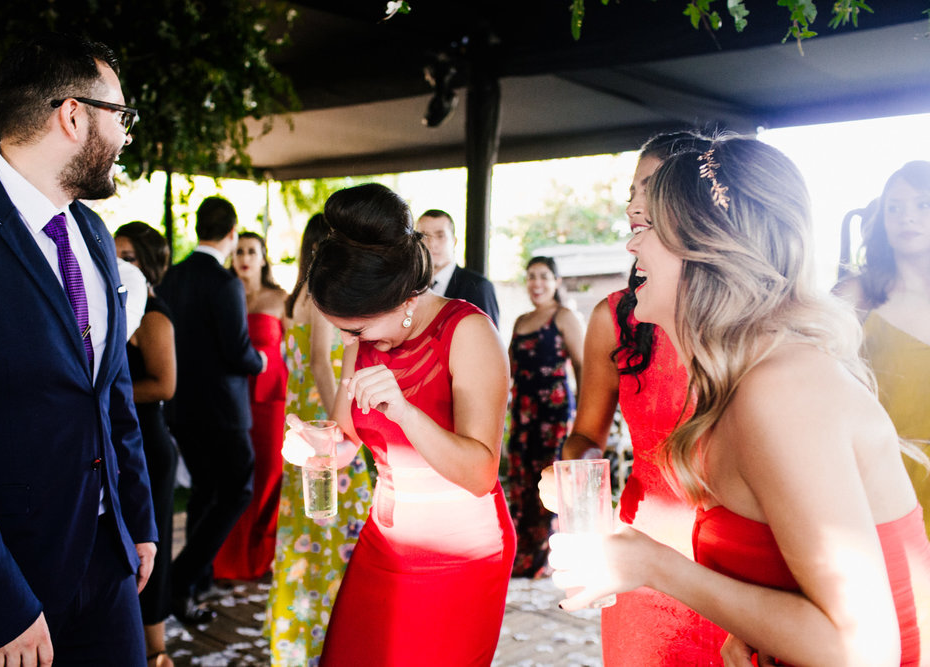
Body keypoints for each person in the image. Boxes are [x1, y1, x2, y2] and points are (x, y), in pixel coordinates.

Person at [545, 137, 930, 665]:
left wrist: (656, 566)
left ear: (706, 249)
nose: (632, 248)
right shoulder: (745, 380)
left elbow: (860, 650)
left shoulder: (780, 389)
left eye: (648, 230)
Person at [0, 33, 156, 666]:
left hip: (109, 565)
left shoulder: (91, 230)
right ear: (74, 115)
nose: (127, 135)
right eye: (122, 116)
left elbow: (108, 394)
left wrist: (137, 521)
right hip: (5, 579)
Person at [282, 184, 515, 666]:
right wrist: (318, 446)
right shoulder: (361, 340)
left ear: (399, 299)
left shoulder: (468, 332)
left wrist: (406, 412)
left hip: (461, 553)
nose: (351, 341)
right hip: (384, 542)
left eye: (357, 330)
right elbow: (350, 439)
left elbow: (479, 473)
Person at [561, 131, 728, 664]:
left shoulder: (742, 320)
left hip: (733, 558)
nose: (635, 206)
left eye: (651, 189)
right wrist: (573, 479)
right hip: (643, 549)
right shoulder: (612, 318)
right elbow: (586, 434)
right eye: (631, 191)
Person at [265, 213, 374, 665]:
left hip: (302, 429)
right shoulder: (320, 295)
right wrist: (339, 428)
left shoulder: (295, 296)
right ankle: (335, 640)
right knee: (338, 537)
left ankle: (301, 642)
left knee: (303, 540)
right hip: (323, 430)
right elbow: (320, 363)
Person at [157, 196, 265, 624]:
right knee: (237, 488)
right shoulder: (224, 284)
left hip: (181, 405)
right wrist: (263, 362)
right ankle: (181, 579)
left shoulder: (172, 277)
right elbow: (238, 353)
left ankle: (194, 580)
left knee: (205, 490)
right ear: (232, 232)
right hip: (222, 409)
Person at [834, 161, 930, 540]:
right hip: (882, 477)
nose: (907, 217)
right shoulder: (856, 296)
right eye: (895, 207)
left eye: (923, 205)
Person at [115, 221, 179, 667]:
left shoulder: (153, 316)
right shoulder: (111, 310)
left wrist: (105, 389)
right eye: (113, 253)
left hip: (149, 443)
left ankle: (155, 649)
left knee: (149, 542)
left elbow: (165, 385)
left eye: (129, 257)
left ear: (149, 266)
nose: (118, 263)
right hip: (119, 441)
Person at [213, 231, 289, 580]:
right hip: (233, 399)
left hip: (272, 398)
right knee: (236, 476)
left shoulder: (280, 298)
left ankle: (263, 556)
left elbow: (298, 349)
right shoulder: (225, 296)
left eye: (252, 251)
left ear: (263, 257)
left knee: (270, 474)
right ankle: (229, 560)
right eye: (239, 250)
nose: (244, 256)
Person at [506, 255, 583, 577]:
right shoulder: (521, 321)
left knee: (551, 484)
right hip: (523, 414)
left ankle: (549, 559)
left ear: (556, 282)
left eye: (543, 276)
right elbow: (509, 371)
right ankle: (523, 555)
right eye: (531, 276)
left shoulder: (565, 317)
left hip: (555, 416)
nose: (536, 283)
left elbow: (584, 368)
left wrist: (582, 422)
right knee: (522, 481)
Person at [416, 208, 500, 326]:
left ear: (454, 241)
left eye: (440, 236)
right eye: (424, 236)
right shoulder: (409, 285)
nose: (432, 244)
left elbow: (490, 341)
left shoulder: (478, 286)